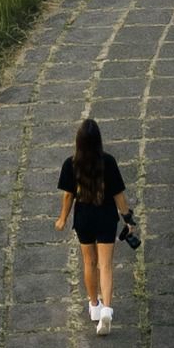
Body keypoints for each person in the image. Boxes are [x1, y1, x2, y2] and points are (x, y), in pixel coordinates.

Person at [56, 115, 131, 332]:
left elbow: (68, 196)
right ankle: (107, 309)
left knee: (89, 263)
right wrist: (128, 218)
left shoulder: (70, 164)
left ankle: (94, 305)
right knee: (106, 265)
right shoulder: (108, 161)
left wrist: (62, 219)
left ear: (78, 142)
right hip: (106, 216)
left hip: (84, 218)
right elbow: (119, 196)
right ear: (99, 140)